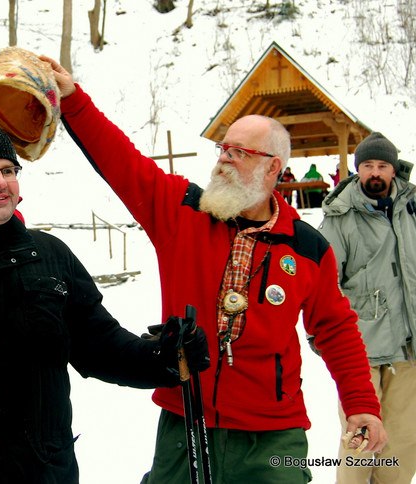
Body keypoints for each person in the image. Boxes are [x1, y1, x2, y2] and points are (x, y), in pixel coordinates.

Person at [42, 55, 387, 483]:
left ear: (273, 167)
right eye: (224, 148)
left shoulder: (308, 248)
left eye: (240, 152)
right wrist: (75, 101)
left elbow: (335, 328)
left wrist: (361, 405)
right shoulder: (181, 212)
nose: (224, 158)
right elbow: (120, 161)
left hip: (272, 436)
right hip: (184, 420)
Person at [0, 118, 210, 483]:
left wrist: (163, 358)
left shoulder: (50, 255)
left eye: (8, 170)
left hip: (38, 470)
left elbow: (100, 344)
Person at [318, 132, 416, 484]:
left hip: (408, 347)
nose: (375, 172)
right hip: (361, 349)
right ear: (357, 170)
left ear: (394, 170)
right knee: (359, 443)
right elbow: (323, 285)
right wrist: (330, 340)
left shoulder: (412, 209)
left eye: (382, 165)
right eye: (368, 165)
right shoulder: (339, 217)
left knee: (404, 441)